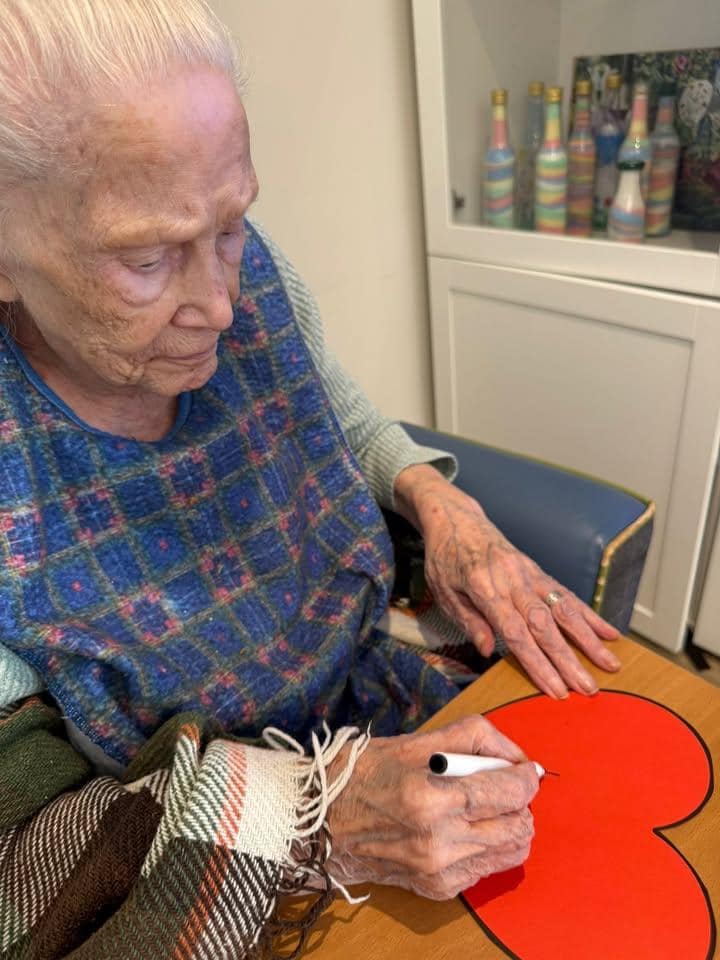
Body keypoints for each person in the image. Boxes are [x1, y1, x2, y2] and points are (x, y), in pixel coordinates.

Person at [0, 1, 621, 956]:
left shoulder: (249, 280)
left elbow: (338, 415)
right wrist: (320, 815)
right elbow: (28, 841)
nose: (221, 303)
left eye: (233, 223)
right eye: (145, 259)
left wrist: (440, 504)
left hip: (377, 688)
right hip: (208, 848)